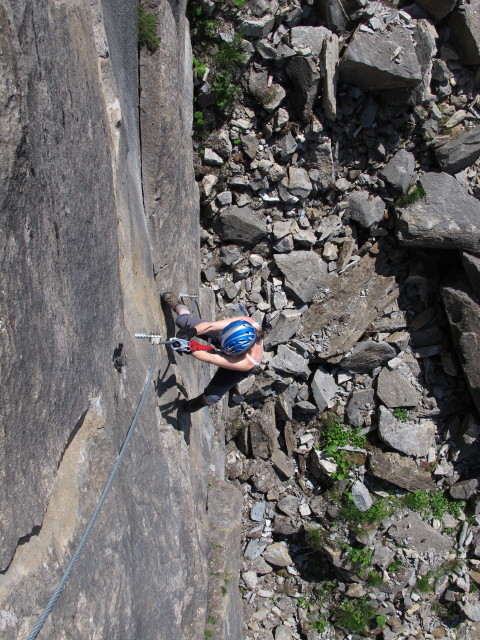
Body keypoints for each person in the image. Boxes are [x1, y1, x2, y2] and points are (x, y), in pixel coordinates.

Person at [161, 292, 264, 412]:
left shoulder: (248, 361)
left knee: (212, 397)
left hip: (237, 365)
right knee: (183, 322)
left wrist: (189, 348)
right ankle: (179, 305)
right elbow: (210, 326)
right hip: (227, 339)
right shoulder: (246, 322)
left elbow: (212, 358)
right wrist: (190, 332)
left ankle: (198, 403)